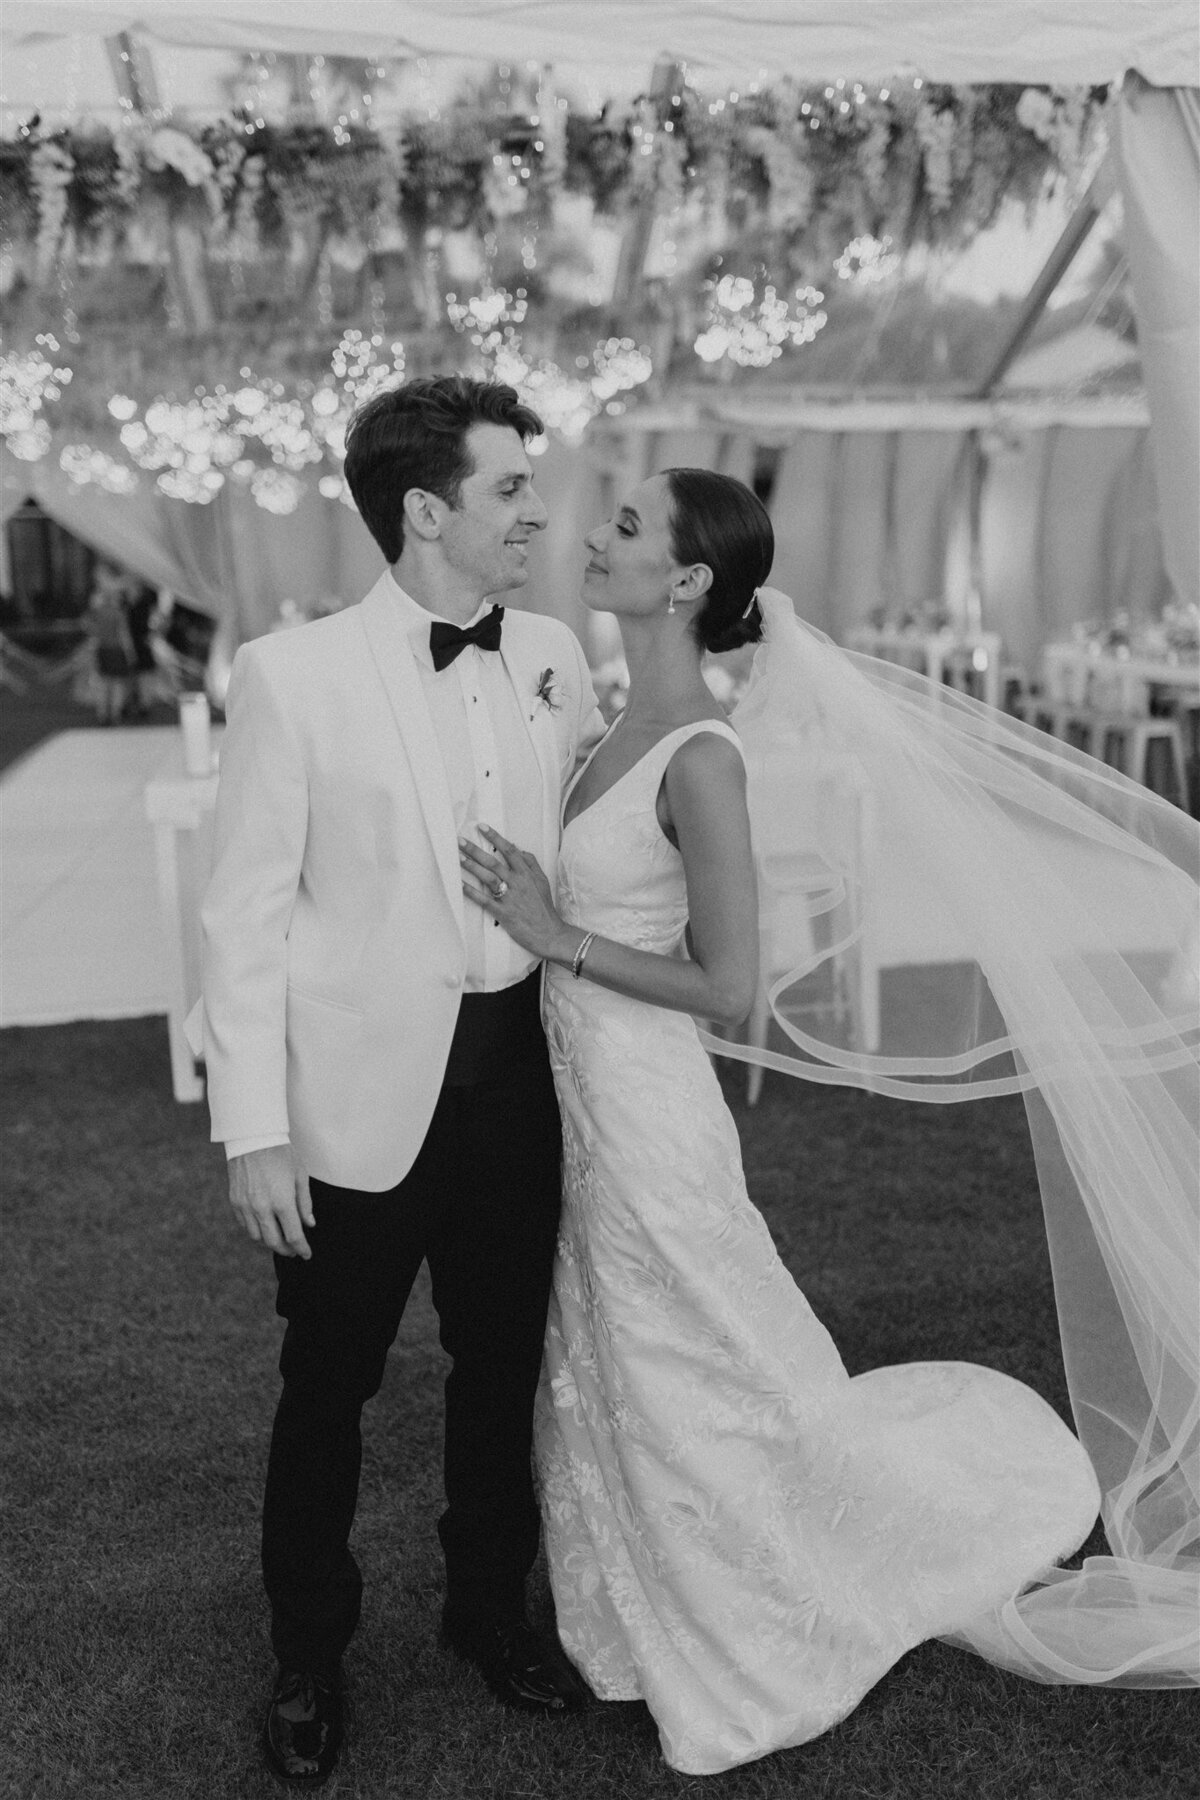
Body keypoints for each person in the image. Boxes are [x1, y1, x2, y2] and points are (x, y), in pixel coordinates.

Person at [458, 468, 1199, 1774]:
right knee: (619, 1351)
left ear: (688, 581)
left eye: (627, 527)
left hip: (645, 1104)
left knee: (692, 1344)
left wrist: (558, 936)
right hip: (580, 1092)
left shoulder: (700, 753)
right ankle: (630, 1607)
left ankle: (755, 1610)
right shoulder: (614, 723)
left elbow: (731, 983)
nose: (596, 537)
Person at [194, 375, 604, 1786]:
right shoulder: (291, 676)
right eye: (507, 489)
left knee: (503, 1370)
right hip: (360, 1095)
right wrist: (254, 1130)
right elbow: (242, 915)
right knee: (330, 1384)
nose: (535, 512)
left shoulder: (553, 652)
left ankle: (490, 1613)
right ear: (425, 511)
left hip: (520, 1079)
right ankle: (308, 1649)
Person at [86, 559, 137, 724]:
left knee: (103, 682)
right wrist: (130, 653)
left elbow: (89, 628)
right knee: (117, 684)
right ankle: (115, 714)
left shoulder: (98, 613)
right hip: (117, 650)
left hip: (102, 649)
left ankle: (102, 713)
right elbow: (124, 635)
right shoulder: (118, 614)